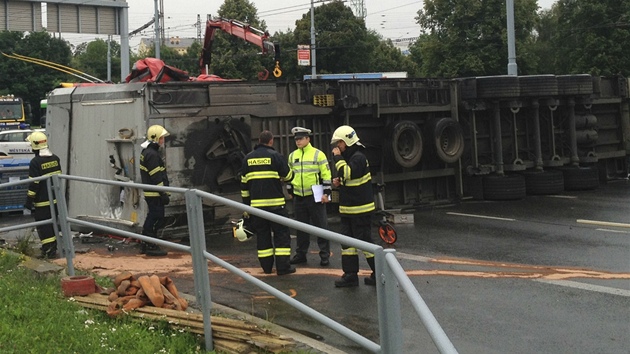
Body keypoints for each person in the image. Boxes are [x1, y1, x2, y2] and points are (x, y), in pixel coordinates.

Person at [240, 130, 296, 275]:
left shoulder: (247, 159)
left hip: (257, 208)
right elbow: (289, 176)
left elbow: (244, 187)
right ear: (271, 141)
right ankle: (283, 268)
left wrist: (247, 208)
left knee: (263, 237)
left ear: (259, 141)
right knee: (281, 235)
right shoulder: (276, 156)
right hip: (276, 206)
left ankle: (266, 267)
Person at [330, 125, 377, 287]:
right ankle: (350, 275)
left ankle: (378, 274)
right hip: (348, 210)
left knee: (365, 243)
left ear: (347, 141)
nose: (337, 147)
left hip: (360, 210)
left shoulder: (358, 157)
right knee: (347, 245)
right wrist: (339, 182)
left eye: (339, 143)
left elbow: (347, 173)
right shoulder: (351, 157)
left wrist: (337, 159)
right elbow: (349, 179)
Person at [287, 127, 332, 266]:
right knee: (301, 228)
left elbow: (326, 175)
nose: (298, 141)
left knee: (321, 226)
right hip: (299, 197)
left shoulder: (318, 155)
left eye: (300, 139)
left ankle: (325, 255)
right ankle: (301, 254)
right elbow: (290, 174)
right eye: (296, 139)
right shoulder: (292, 155)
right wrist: (290, 189)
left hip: (315, 196)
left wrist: (327, 194)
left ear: (308, 139)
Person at [25, 131, 62, 259]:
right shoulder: (55, 158)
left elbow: (34, 184)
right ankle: (52, 247)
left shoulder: (35, 162)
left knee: (44, 226)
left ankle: (49, 250)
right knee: (53, 224)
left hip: (42, 201)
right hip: (56, 199)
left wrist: (28, 202)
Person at [139, 124, 171, 257]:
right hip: (155, 193)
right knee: (156, 217)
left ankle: (147, 242)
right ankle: (149, 243)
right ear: (156, 138)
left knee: (153, 216)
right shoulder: (152, 155)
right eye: (162, 138)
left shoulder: (148, 152)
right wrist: (163, 193)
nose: (163, 140)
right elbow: (156, 176)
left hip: (152, 192)